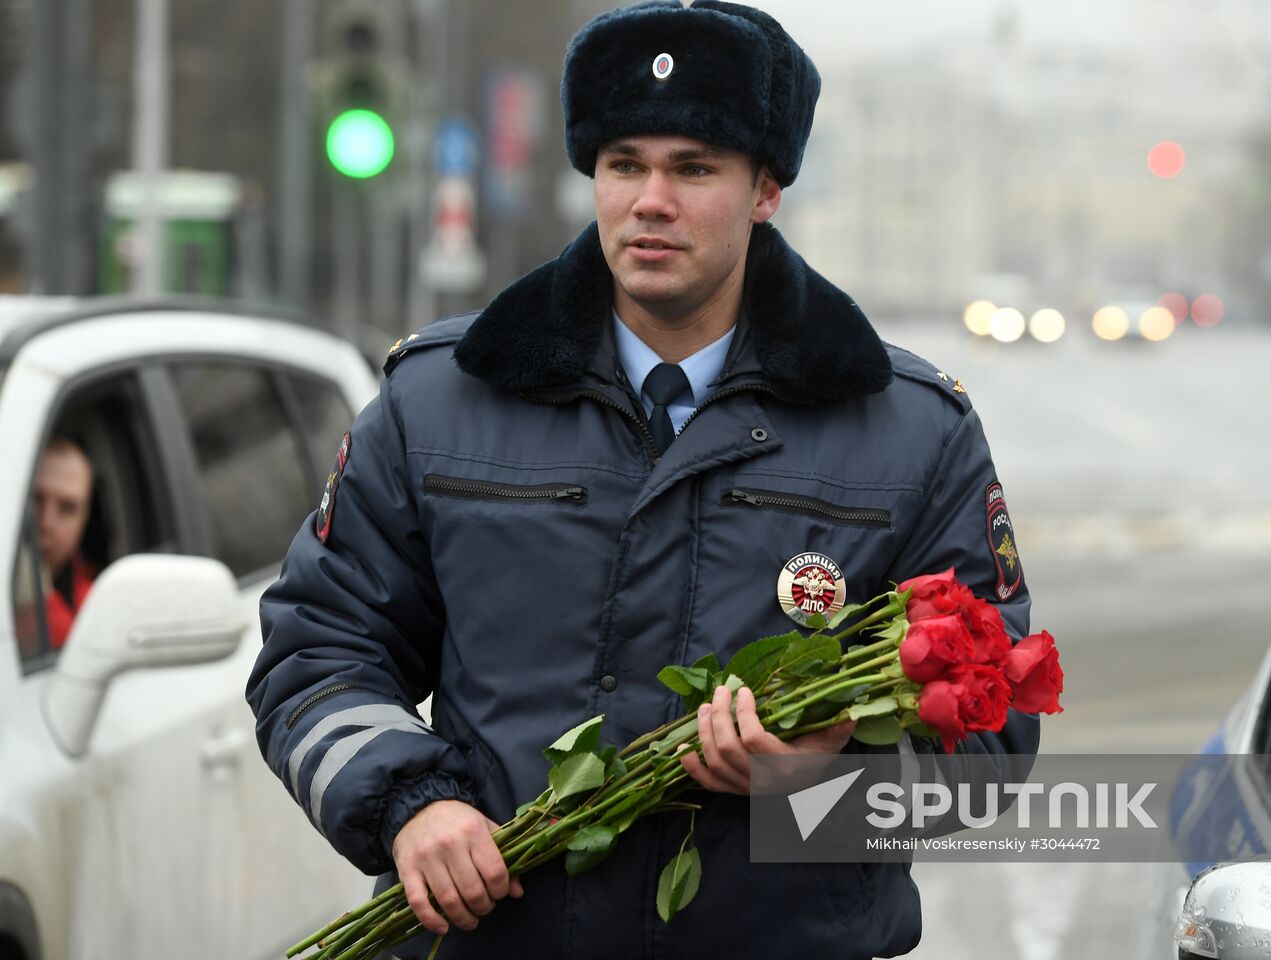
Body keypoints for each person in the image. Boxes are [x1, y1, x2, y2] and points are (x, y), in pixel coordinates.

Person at [248, 3, 1038, 957]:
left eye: (693, 168)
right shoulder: (441, 401)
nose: (650, 201)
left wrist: (811, 790)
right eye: (625, 164)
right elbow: (318, 654)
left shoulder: (910, 431)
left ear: (765, 190)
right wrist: (410, 806)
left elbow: (990, 750)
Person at [32, 436, 96, 649]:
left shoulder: (95, 604)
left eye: (67, 508)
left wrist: (39, 598)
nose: (46, 522)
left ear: (84, 520)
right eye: (35, 499)